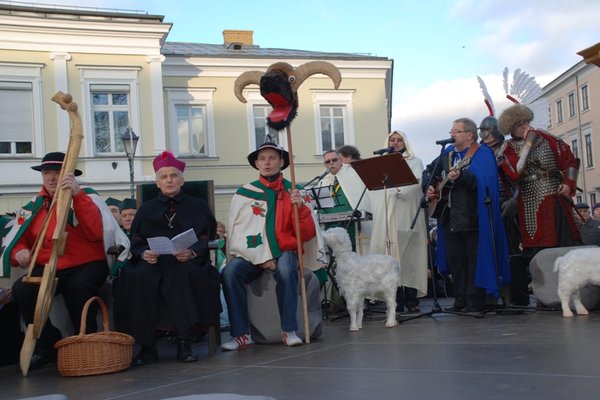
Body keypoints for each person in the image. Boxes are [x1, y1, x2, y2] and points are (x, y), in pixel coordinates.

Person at [5, 152, 128, 370]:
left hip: (88, 263)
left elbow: (95, 233)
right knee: (22, 289)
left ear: (69, 175)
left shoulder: (87, 197)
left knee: (78, 287)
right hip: (50, 266)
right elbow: (18, 239)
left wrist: (78, 196)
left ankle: (87, 341)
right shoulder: (33, 206)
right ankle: (47, 345)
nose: (52, 178)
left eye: (58, 172)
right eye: (46, 173)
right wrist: (20, 252)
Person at [113, 150, 221, 366]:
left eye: (173, 176)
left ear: (182, 180)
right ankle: (147, 346)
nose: (169, 180)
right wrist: (144, 253)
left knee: (181, 273)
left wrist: (192, 252)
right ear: (157, 182)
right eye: (164, 177)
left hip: (187, 260)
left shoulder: (197, 206)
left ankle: (184, 341)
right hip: (153, 261)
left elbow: (207, 236)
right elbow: (136, 241)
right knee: (137, 276)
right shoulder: (146, 209)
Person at [221, 142, 322, 350]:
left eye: (272, 158)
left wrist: (301, 207)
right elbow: (237, 233)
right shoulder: (244, 194)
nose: (267, 162)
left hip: (285, 250)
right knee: (230, 272)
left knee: (286, 270)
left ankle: (289, 330)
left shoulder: (296, 191)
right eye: (262, 158)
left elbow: (308, 233)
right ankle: (241, 334)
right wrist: (261, 258)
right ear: (256, 163)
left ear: (282, 162)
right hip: (252, 256)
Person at [423, 119, 510, 312]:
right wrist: (428, 186)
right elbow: (429, 171)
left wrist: (462, 176)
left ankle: (474, 301)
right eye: (451, 130)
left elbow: (484, 183)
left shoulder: (482, 154)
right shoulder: (447, 153)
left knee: (473, 260)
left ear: (470, 134)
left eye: (456, 131)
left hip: (473, 217)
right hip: (448, 215)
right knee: (456, 261)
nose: (451, 133)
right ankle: (460, 300)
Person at [497, 104, 581, 260]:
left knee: (567, 243)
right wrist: (528, 143)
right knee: (541, 247)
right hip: (531, 201)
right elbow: (515, 172)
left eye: (525, 122)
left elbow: (570, 161)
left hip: (556, 197)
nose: (524, 126)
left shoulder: (548, 139)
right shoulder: (508, 147)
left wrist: (569, 184)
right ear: (511, 128)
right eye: (519, 124)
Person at [366, 131, 428, 313]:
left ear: (405, 143)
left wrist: (398, 190)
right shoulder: (380, 164)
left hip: (406, 218)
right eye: (392, 140)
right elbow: (374, 189)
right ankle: (395, 301)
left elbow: (417, 184)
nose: (395, 142)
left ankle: (411, 301)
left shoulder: (414, 161)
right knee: (389, 260)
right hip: (387, 220)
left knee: (409, 260)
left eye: (399, 140)